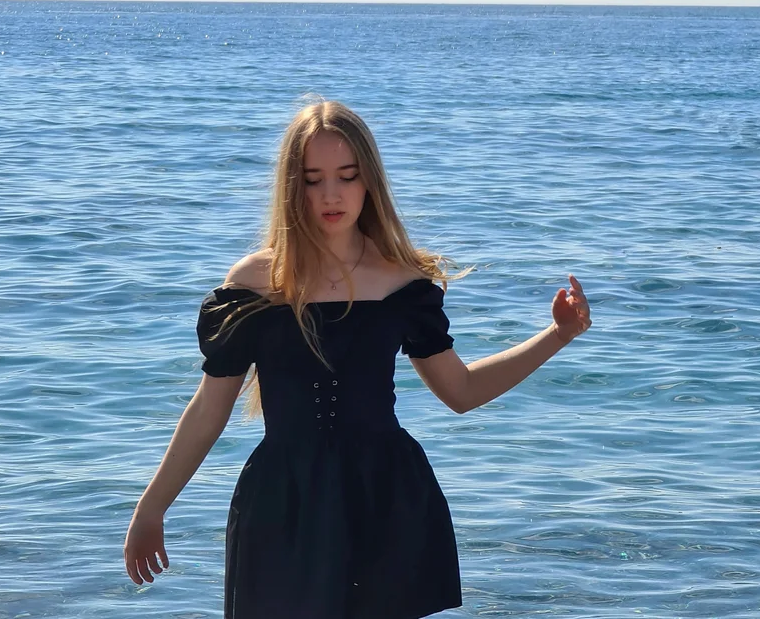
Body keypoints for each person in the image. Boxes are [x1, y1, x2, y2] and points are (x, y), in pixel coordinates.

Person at [123, 98, 591, 618]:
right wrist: (152, 507)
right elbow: (210, 410)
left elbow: (461, 391)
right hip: (282, 502)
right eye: (313, 179)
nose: (331, 194)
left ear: (369, 181)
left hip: (384, 497)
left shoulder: (402, 283)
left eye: (347, 176)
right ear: (291, 185)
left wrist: (557, 335)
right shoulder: (255, 284)